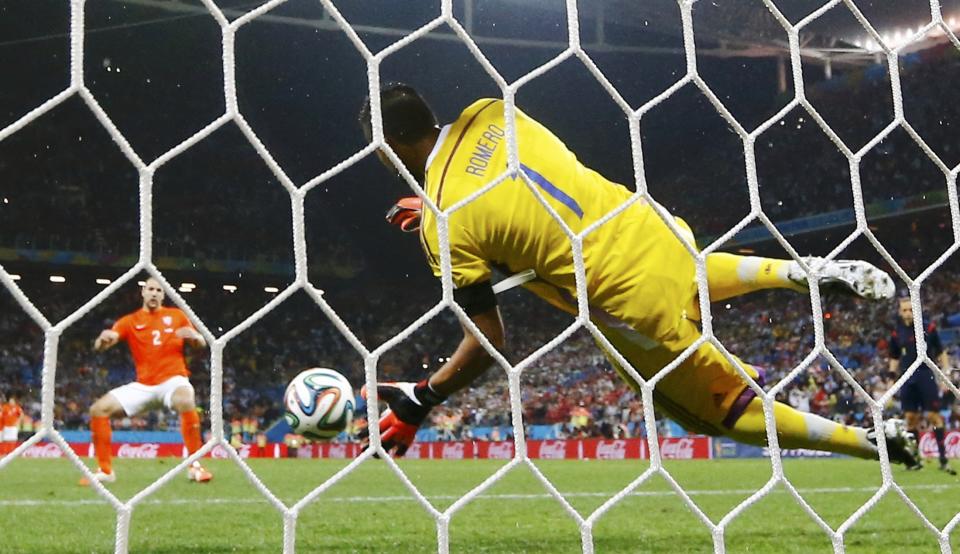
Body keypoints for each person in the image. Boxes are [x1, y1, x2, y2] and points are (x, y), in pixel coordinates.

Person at [357, 83, 918, 468]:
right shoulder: (490, 110)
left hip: (622, 297)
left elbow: (488, 343)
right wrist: (434, 202)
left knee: (718, 412)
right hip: (651, 226)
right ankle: (796, 270)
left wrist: (420, 399)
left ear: (390, 144)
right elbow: (500, 185)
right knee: (691, 275)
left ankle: (872, 443)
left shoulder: (444, 227)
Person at [81, 277, 212, 484]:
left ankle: (195, 466)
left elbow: (201, 343)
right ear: (143, 292)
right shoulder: (130, 321)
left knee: (186, 400)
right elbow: (103, 344)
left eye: (158, 290)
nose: (154, 293)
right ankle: (105, 471)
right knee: (98, 409)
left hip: (173, 381)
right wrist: (101, 340)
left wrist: (195, 338)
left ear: (163, 294)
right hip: (144, 386)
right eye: (150, 289)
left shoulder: (177, 315)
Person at [889, 296, 956, 474]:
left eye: (910, 310)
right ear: (899, 311)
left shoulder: (928, 327)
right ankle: (915, 460)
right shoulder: (896, 332)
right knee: (911, 418)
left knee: (933, 416)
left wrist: (946, 373)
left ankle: (943, 459)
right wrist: (891, 378)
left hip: (926, 375)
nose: (908, 313)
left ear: (916, 310)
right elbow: (894, 357)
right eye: (904, 310)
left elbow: (941, 351)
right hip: (907, 377)